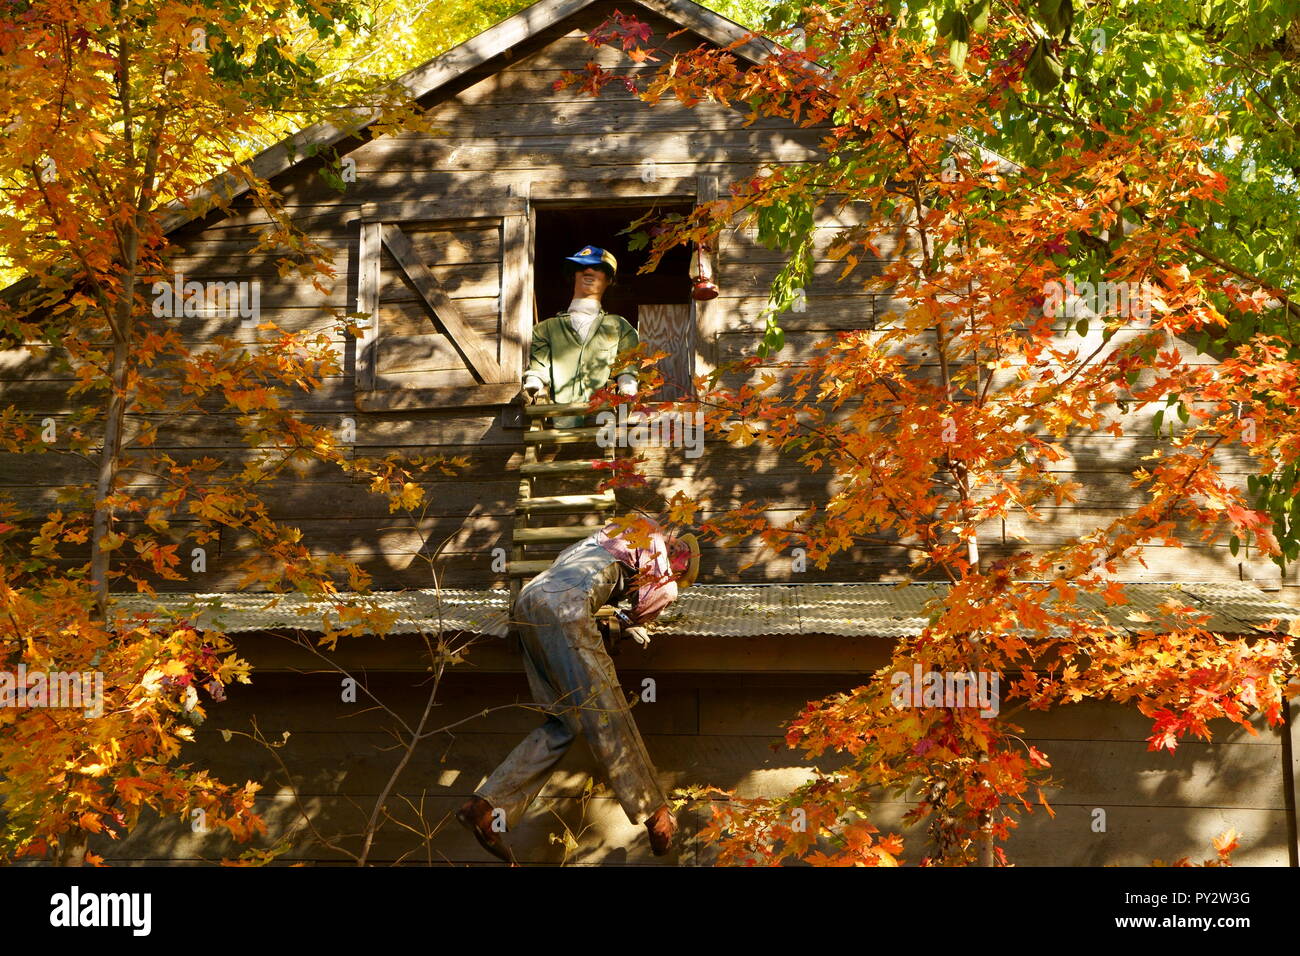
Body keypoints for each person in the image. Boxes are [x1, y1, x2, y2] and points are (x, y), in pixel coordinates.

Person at [456, 518, 700, 862]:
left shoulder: (606, 538)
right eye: (681, 565)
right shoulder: (658, 545)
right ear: (676, 553)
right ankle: (657, 813)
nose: (676, 566)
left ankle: (486, 805)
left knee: (564, 721)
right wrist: (629, 621)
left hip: (529, 603)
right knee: (609, 711)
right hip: (566, 610)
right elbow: (660, 595)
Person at [522, 245, 639, 428]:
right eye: (581, 267)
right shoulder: (545, 329)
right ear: (573, 275)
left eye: (599, 268)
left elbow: (627, 366)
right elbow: (539, 367)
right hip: (557, 416)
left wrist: (627, 383)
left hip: (602, 417)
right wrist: (534, 381)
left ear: (609, 280)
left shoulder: (619, 326)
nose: (589, 271)